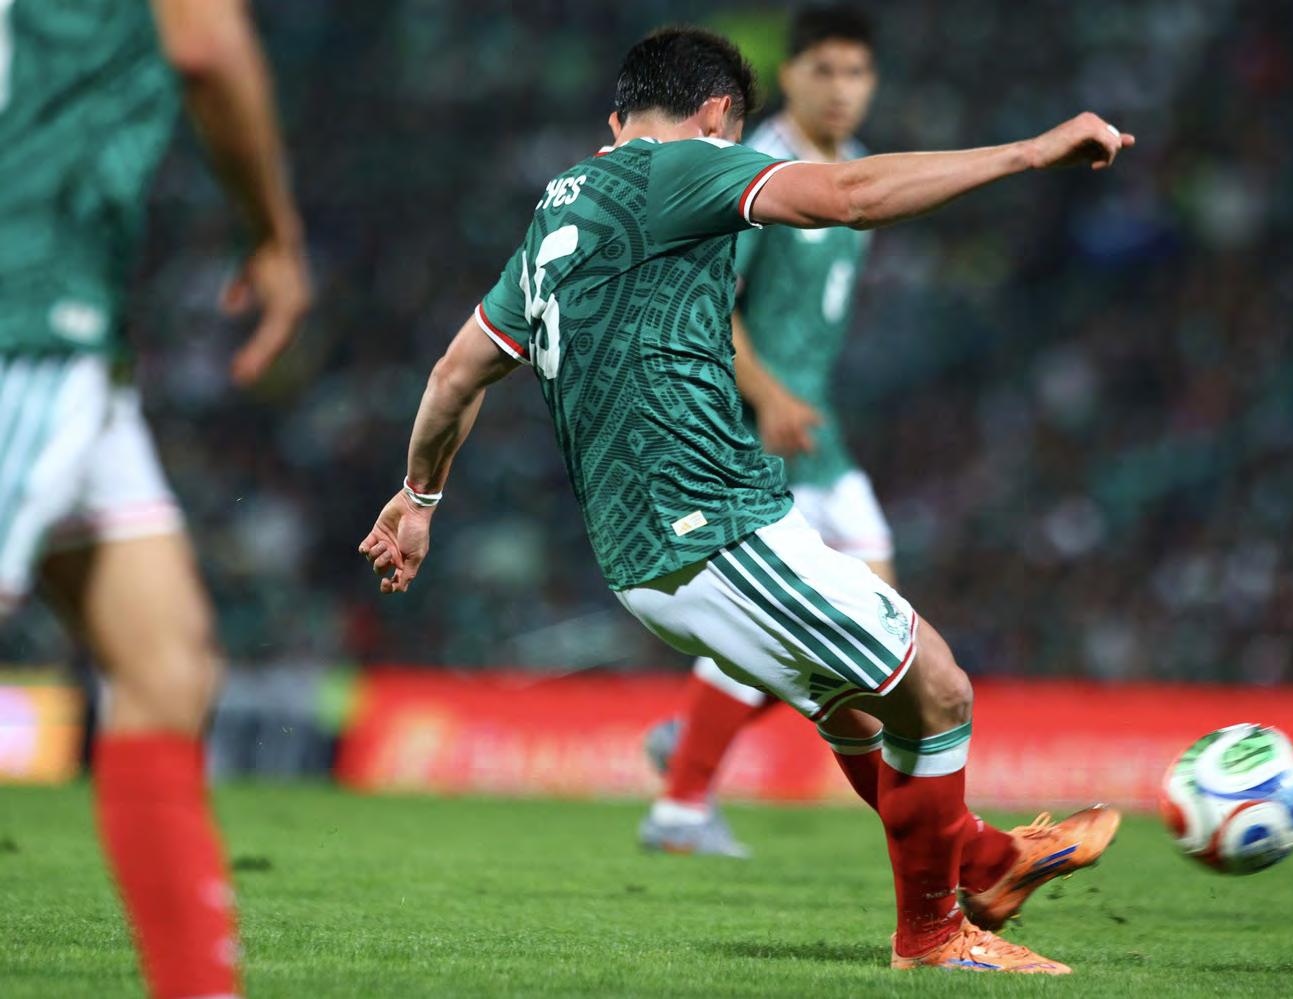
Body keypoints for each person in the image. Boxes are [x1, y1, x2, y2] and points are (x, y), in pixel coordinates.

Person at [361, 25, 1128, 975]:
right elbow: (848, 197)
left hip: (658, 545)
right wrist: (1032, 151)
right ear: (719, 116)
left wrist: (418, 497)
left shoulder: (559, 212)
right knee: (938, 690)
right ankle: (933, 934)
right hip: (708, 527)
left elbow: (454, 372)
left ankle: (984, 862)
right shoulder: (680, 165)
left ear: (616, 114)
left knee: (858, 714)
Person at [0, 1, 311, 995]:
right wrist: (274, 237)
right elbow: (206, 43)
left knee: (167, 665)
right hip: (24, 308)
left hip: (71, 330)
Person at [638, 5, 902, 859]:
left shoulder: (857, 169)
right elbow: (711, 303)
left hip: (817, 434)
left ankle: (691, 742)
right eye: (822, 69)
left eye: (855, 72)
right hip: (757, 434)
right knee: (794, 623)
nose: (840, 88)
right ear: (788, 76)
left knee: (875, 626)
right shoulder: (760, 174)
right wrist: (770, 396)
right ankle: (681, 802)